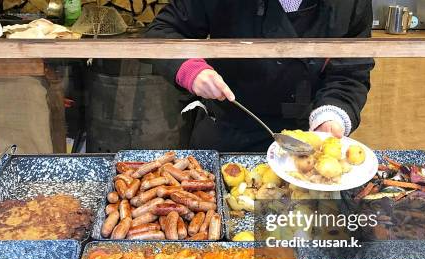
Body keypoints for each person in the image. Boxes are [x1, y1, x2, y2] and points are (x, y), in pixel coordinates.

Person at [146, 0, 375, 151]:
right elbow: (161, 32)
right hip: (229, 130)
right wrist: (191, 70)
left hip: (305, 139)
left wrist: (331, 115)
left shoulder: (349, 3)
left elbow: (350, 71)